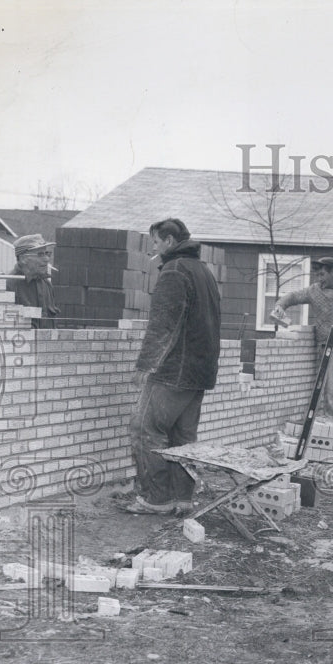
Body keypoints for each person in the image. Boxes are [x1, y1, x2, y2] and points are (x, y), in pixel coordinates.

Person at [129, 219, 221, 515]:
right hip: (199, 372)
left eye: (155, 242)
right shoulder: (203, 271)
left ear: (169, 240)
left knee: (146, 429)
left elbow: (162, 325)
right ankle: (182, 499)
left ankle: (156, 499)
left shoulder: (174, 271)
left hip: (174, 371)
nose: (153, 248)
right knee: (183, 439)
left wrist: (145, 364)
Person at [270, 257, 333, 420]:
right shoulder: (313, 291)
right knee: (330, 390)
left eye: (322, 274)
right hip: (329, 347)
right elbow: (294, 296)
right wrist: (280, 305)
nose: (319, 279)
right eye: (317, 275)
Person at [7, 234, 60, 327]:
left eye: (47, 253)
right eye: (40, 255)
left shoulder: (46, 284)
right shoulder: (9, 285)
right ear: (23, 258)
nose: (47, 259)